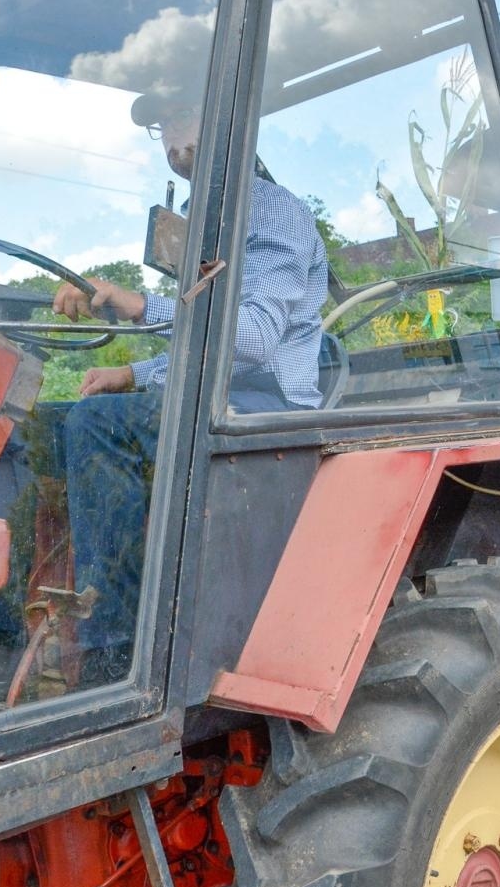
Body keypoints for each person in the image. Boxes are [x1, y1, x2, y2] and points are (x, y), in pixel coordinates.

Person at [49, 89, 327, 686]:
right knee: (52, 419)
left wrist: (139, 305)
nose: (177, 139)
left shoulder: (272, 211)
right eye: (166, 126)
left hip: (272, 404)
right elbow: (202, 342)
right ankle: (25, 622)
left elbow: (248, 340)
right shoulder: (208, 222)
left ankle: (115, 653)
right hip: (222, 391)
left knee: (97, 426)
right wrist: (131, 374)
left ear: (231, 118)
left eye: (187, 116)